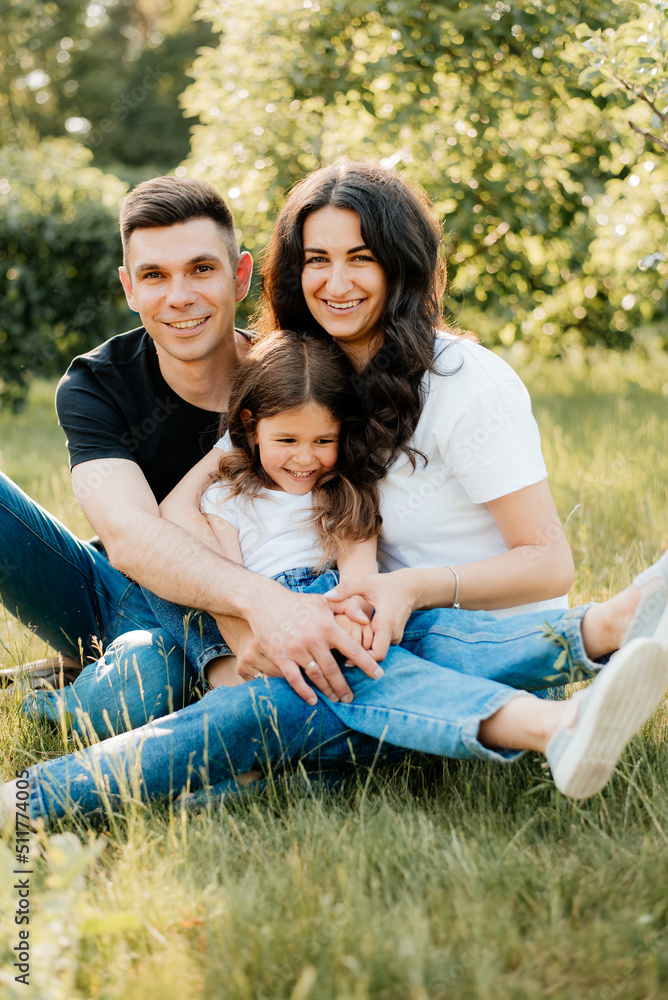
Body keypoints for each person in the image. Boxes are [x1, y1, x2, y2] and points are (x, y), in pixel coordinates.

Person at [0, 176, 387, 741]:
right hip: (115, 587)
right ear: (129, 287)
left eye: (202, 269)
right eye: (155, 275)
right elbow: (130, 539)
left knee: (152, 676)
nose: (179, 296)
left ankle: (49, 692)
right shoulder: (95, 384)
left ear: (242, 275)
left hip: (194, 633)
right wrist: (264, 606)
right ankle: (61, 684)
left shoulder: (296, 382)